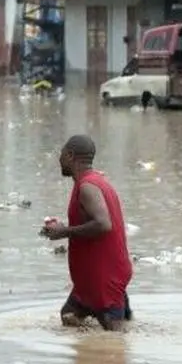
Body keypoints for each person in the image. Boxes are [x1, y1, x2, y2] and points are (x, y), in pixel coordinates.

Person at [40, 135, 133, 331]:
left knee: (115, 339)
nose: (59, 160)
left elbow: (103, 224)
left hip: (103, 277)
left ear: (70, 155)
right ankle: (88, 353)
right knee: (69, 316)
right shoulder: (94, 182)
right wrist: (63, 228)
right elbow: (94, 221)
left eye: (62, 154)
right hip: (91, 279)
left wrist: (64, 231)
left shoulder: (87, 187)